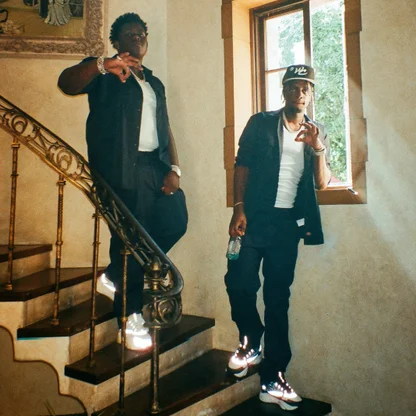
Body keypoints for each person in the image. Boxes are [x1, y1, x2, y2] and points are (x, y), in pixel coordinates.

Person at [58, 13, 187, 351]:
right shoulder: (104, 73)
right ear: (116, 42)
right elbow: (66, 83)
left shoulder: (154, 82)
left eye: (141, 33)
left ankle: (116, 273)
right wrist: (103, 65)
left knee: (175, 221)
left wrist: (174, 168)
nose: (137, 38)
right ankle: (129, 318)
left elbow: (165, 127)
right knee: (131, 239)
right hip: (120, 169)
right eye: (129, 34)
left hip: (155, 166)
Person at [225, 65, 331, 411]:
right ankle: (250, 340)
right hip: (254, 219)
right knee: (238, 281)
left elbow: (322, 183)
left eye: (306, 88)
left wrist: (317, 148)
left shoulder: (316, 132)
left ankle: (273, 377)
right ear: (283, 92)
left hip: (286, 227)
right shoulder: (260, 123)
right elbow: (242, 165)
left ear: (310, 95)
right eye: (294, 87)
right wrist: (238, 208)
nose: (300, 93)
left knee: (277, 300)